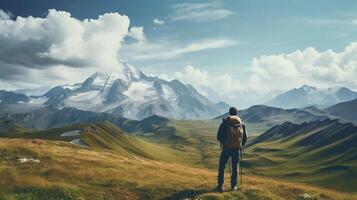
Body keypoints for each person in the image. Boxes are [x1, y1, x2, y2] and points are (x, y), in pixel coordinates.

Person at [216, 107, 248, 192]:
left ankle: (220, 186)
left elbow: (219, 136)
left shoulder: (225, 122)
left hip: (226, 148)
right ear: (236, 113)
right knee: (235, 167)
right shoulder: (241, 123)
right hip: (236, 149)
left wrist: (224, 142)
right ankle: (234, 186)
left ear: (229, 113)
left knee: (222, 166)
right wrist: (240, 145)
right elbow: (245, 137)